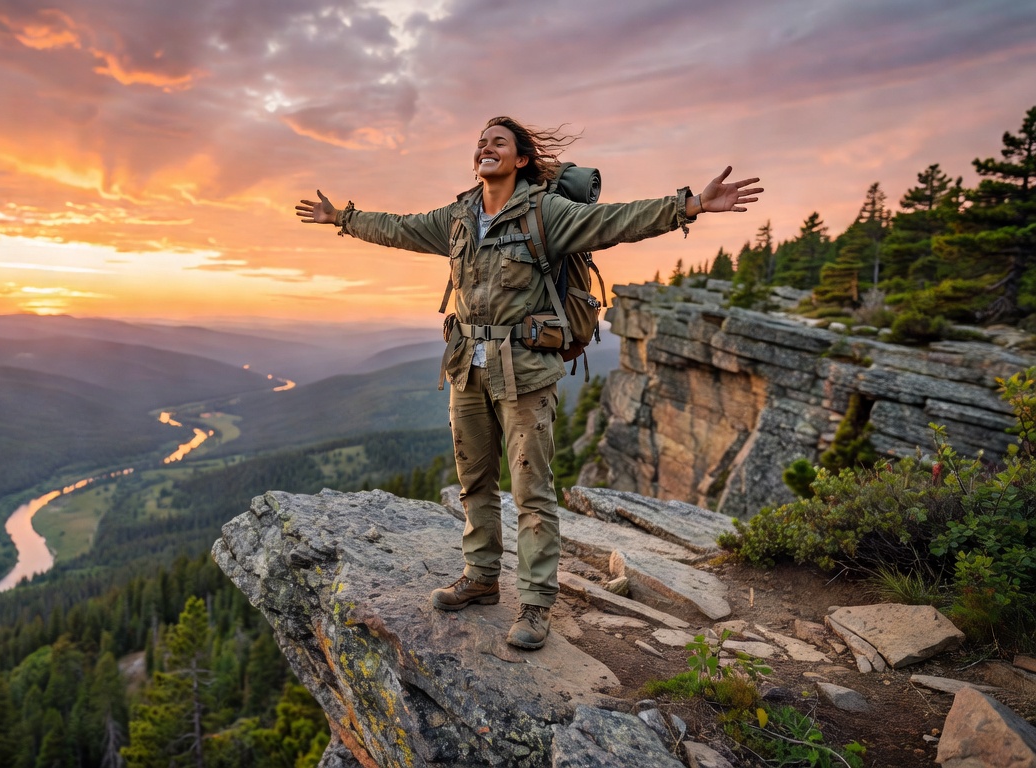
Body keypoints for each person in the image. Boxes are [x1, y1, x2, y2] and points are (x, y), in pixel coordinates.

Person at [296, 116, 763, 650]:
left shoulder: (546, 212)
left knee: (531, 491)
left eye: (497, 141)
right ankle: (481, 578)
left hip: (526, 372)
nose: (484, 147)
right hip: (466, 367)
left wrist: (690, 205)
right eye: (480, 142)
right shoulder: (457, 217)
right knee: (474, 480)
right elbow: (399, 227)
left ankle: (537, 604)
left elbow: (616, 221)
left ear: (520, 160)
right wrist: (343, 218)